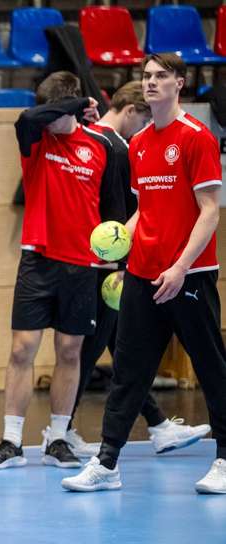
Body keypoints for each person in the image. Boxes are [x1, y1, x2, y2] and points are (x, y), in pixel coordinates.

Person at [63, 54, 226, 494]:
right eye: (146, 76)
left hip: (189, 275)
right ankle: (107, 463)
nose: (151, 83)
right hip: (142, 274)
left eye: (161, 76)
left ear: (180, 83)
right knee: (129, 371)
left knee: (211, 367)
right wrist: (117, 243)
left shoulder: (196, 138)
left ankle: (225, 458)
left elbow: (210, 211)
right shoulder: (137, 143)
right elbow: (144, 210)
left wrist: (180, 267)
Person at [0, 72, 121, 470]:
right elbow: (28, 116)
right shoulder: (36, 138)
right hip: (37, 260)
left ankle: (58, 438)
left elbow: (113, 208)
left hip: (81, 264)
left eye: (55, 111)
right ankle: (11, 441)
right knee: (22, 348)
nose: (48, 118)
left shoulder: (101, 146)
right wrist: (75, 106)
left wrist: (120, 263)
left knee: (70, 351)